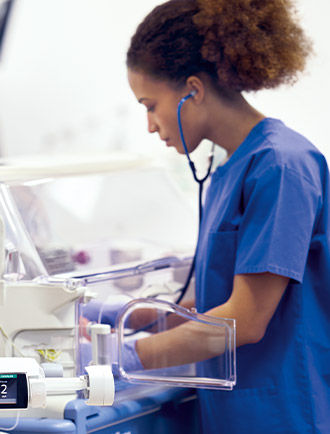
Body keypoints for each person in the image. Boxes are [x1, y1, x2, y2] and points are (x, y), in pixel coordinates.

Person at [117, 0, 330, 432]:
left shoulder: (281, 166)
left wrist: (126, 360)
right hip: (235, 412)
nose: (150, 125)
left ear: (192, 90)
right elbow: (216, 302)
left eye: (150, 105)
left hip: (282, 414)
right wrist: (121, 316)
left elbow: (243, 321)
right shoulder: (229, 168)